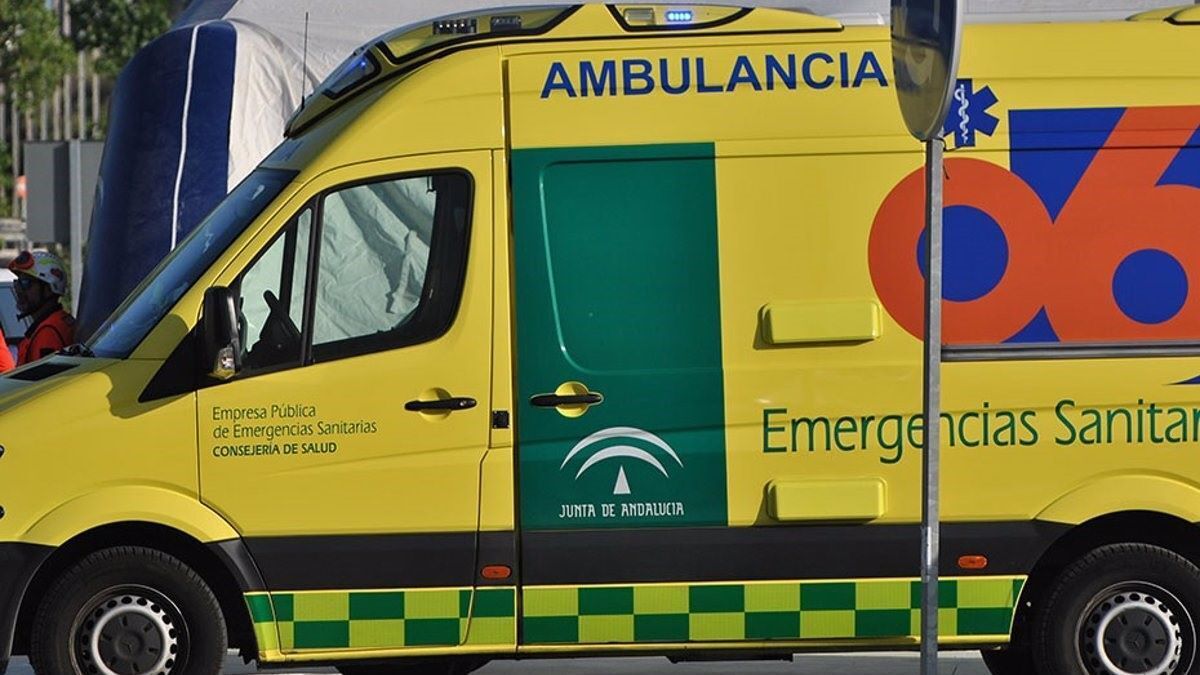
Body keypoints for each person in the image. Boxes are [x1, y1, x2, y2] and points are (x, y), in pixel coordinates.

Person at [9, 250, 76, 366]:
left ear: (49, 289)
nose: (19, 290)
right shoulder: (59, 322)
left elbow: (44, 382)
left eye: (26, 283)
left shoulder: (48, 333)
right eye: (18, 283)